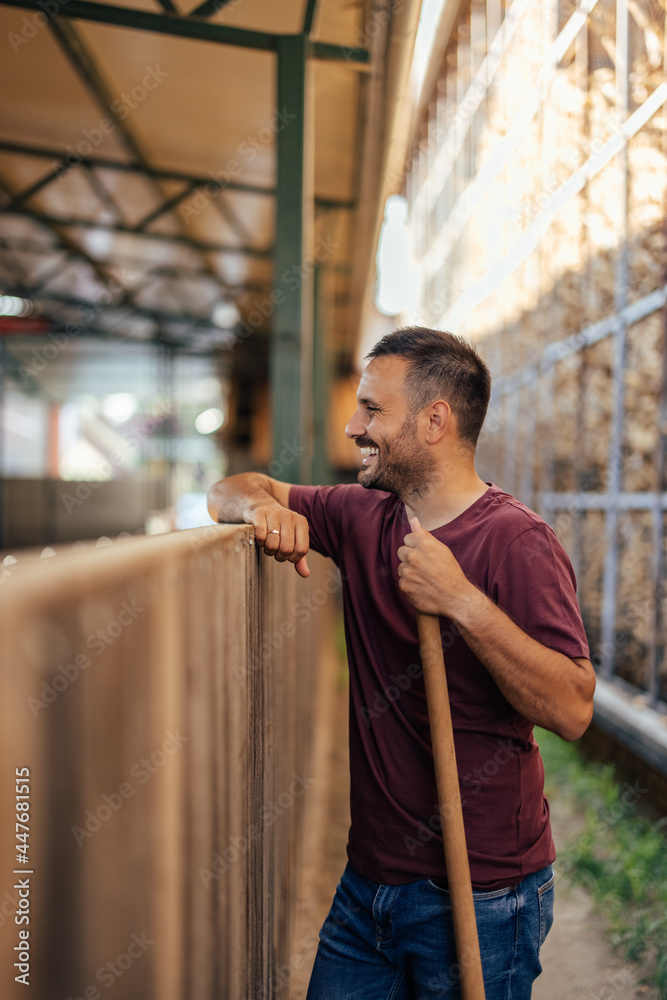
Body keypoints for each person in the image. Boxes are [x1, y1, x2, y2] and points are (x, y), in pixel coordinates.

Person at [207, 326, 595, 1000]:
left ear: (434, 420)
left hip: (481, 891)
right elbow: (227, 488)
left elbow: (571, 708)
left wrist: (462, 602)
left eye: (372, 410)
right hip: (368, 886)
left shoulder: (516, 540)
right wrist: (262, 508)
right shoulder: (362, 516)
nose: (353, 427)